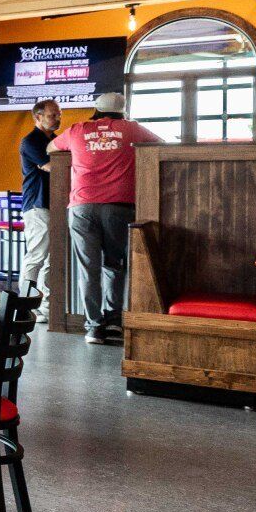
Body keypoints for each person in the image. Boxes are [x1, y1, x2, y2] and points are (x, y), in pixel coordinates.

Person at [50, 92, 161, 345]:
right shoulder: (131, 130)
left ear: (96, 109)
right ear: (122, 111)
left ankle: (93, 328)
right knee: (114, 264)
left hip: (82, 206)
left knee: (88, 269)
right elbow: (161, 145)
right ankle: (113, 322)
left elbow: (50, 147)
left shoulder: (78, 129)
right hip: (118, 206)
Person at [18, 99, 61, 322]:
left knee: (52, 258)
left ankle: (46, 306)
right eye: (52, 115)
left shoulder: (56, 141)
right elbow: (52, 167)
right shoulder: (30, 141)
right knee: (36, 255)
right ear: (38, 117)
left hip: (55, 204)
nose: (57, 119)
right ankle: (24, 305)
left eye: (58, 115)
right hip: (37, 204)